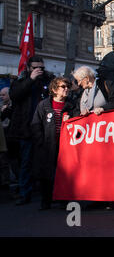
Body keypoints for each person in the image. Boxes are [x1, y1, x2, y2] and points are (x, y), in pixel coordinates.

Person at [73, 66, 114, 210]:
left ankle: (113, 198)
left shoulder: (106, 85)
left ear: (87, 78)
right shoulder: (83, 92)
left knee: (109, 167)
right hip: (91, 136)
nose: (78, 84)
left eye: (79, 80)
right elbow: (76, 110)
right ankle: (98, 197)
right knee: (94, 167)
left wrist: (104, 109)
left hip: (107, 135)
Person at [8, 56, 54, 205]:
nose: (39, 70)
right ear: (29, 68)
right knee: (26, 162)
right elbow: (15, 96)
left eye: (41, 67)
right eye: (35, 67)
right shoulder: (20, 81)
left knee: (46, 161)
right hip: (26, 128)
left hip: (45, 128)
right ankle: (24, 193)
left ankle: (47, 194)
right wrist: (31, 80)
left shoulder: (48, 80)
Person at [31, 77, 75, 210]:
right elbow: (35, 124)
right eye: (63, 87)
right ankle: (46, 201)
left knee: (65, 173)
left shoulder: (71, 105)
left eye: (67, 86)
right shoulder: (44, 105)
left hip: (65, 147)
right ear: (54, 89)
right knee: (46, 174)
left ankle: (63, 200)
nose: (66, 89)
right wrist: (41, 142)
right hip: (47, 146)